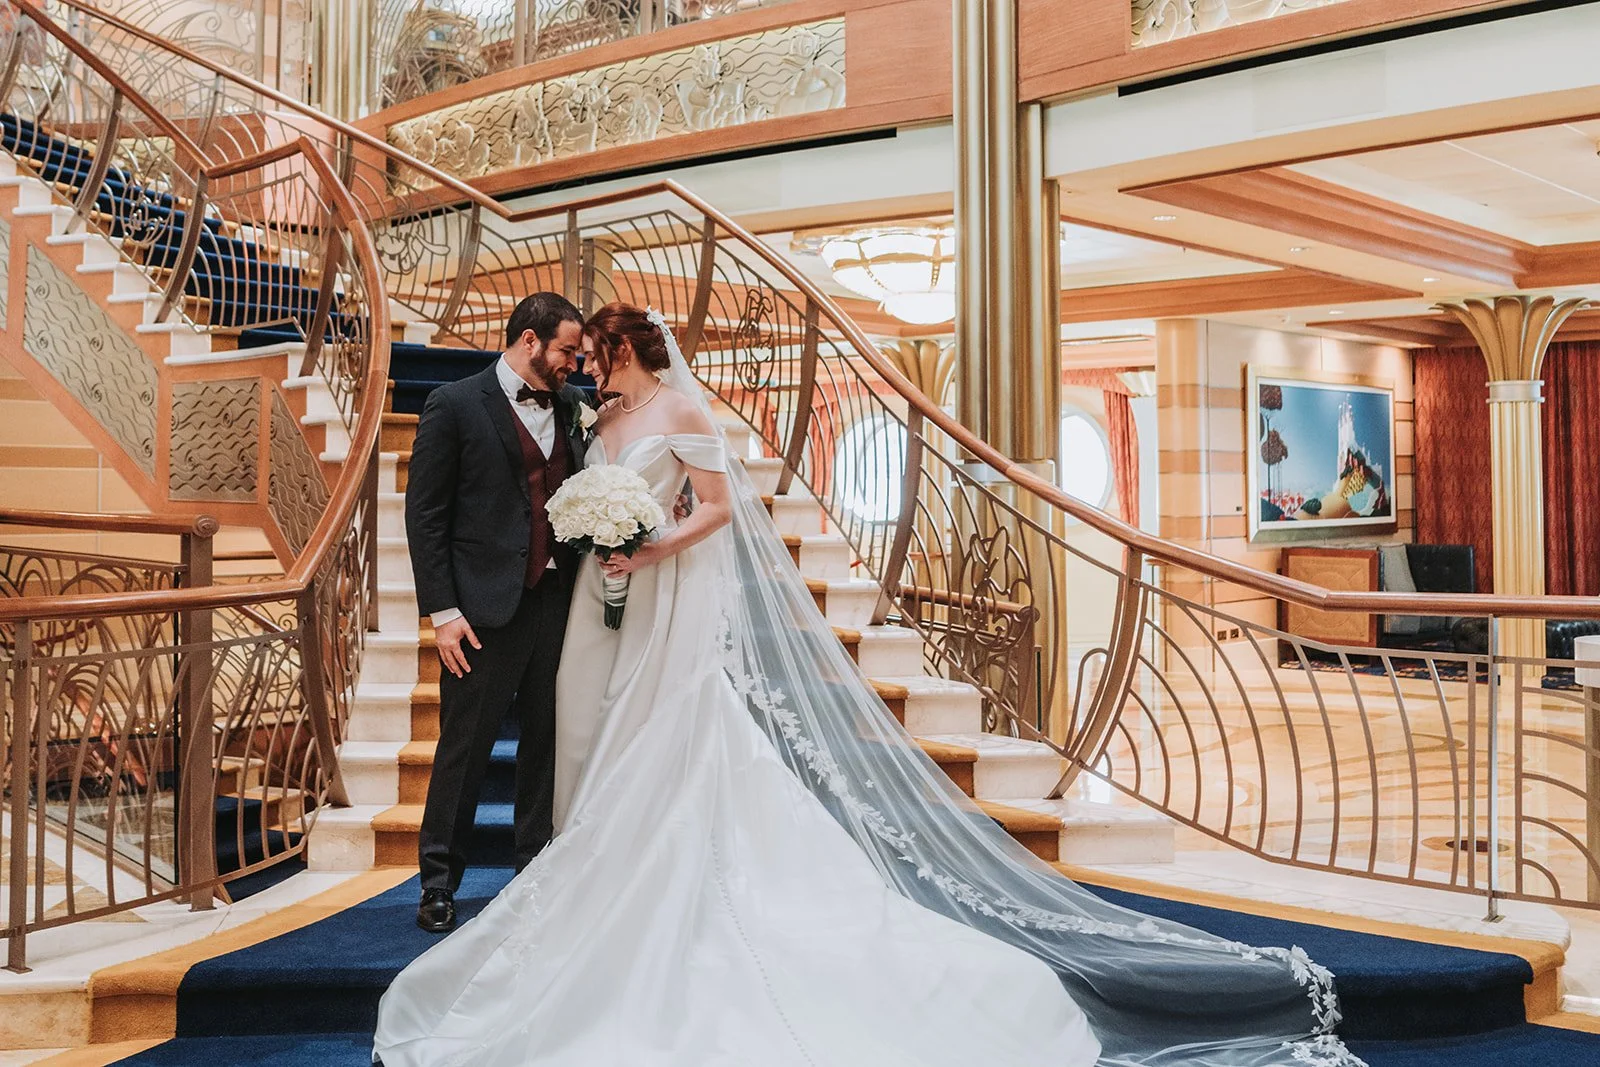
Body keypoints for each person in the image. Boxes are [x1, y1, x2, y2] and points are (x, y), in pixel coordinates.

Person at [375, 304, 1360, 1067]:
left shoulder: (674, 409)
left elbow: (714, 507)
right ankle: (532, 875)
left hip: (660, 601)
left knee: (663, 742)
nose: (584, 366)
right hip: (590, 611)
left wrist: (648, 542)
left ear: (629, 351)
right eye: (574, 354)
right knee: (582, 743)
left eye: (596, 352)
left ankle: (644, 885)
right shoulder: (599, 412)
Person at [402, 292, 591, 934]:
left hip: (557, 603)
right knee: (465, 750)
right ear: (531, 341)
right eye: (568, 351)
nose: (576, 364)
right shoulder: (454, 404)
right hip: (478, 612)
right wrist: (443, 611)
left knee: (545, 746)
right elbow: (425, 516)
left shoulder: (572, 408)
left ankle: (532, 873)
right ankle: (437, 884)